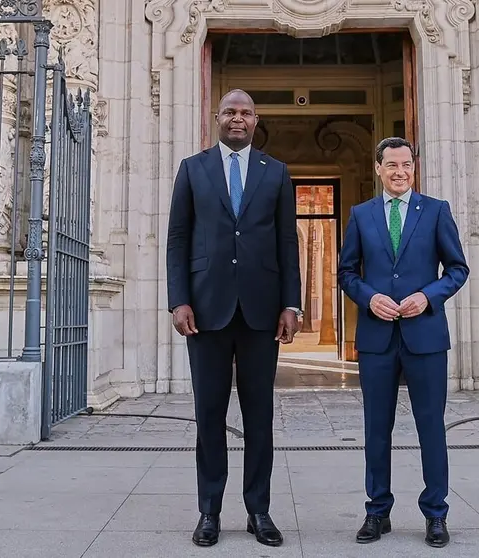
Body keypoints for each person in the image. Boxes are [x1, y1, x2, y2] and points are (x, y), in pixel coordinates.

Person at [166, 89, 302, 548]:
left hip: (262, 310)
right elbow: (178, 239)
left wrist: (292, 303)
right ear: (217, 117)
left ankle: (259, 510)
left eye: (245, 113)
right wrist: (178, 300)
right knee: (208, 415)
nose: (237, 119)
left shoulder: (277, 172)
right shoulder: (193, 168)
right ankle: (209, 511)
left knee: (259, 414)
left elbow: (288, 243)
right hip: (205, 310)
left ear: (256, 120)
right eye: (230, 112)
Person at [337, 137, 469, 548]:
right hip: (377, 339)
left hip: (425, 336)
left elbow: (458, 269)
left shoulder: (435, 211)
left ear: (414, 167)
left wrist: (426, 296)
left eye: (407, 165)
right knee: (377, 428)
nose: (400, 172)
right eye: (392, 165)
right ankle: (377, 511)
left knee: (431, 427)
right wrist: (368, 297)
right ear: (378, 168)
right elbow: (346, 273)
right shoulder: (360, 215)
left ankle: (435, 514)